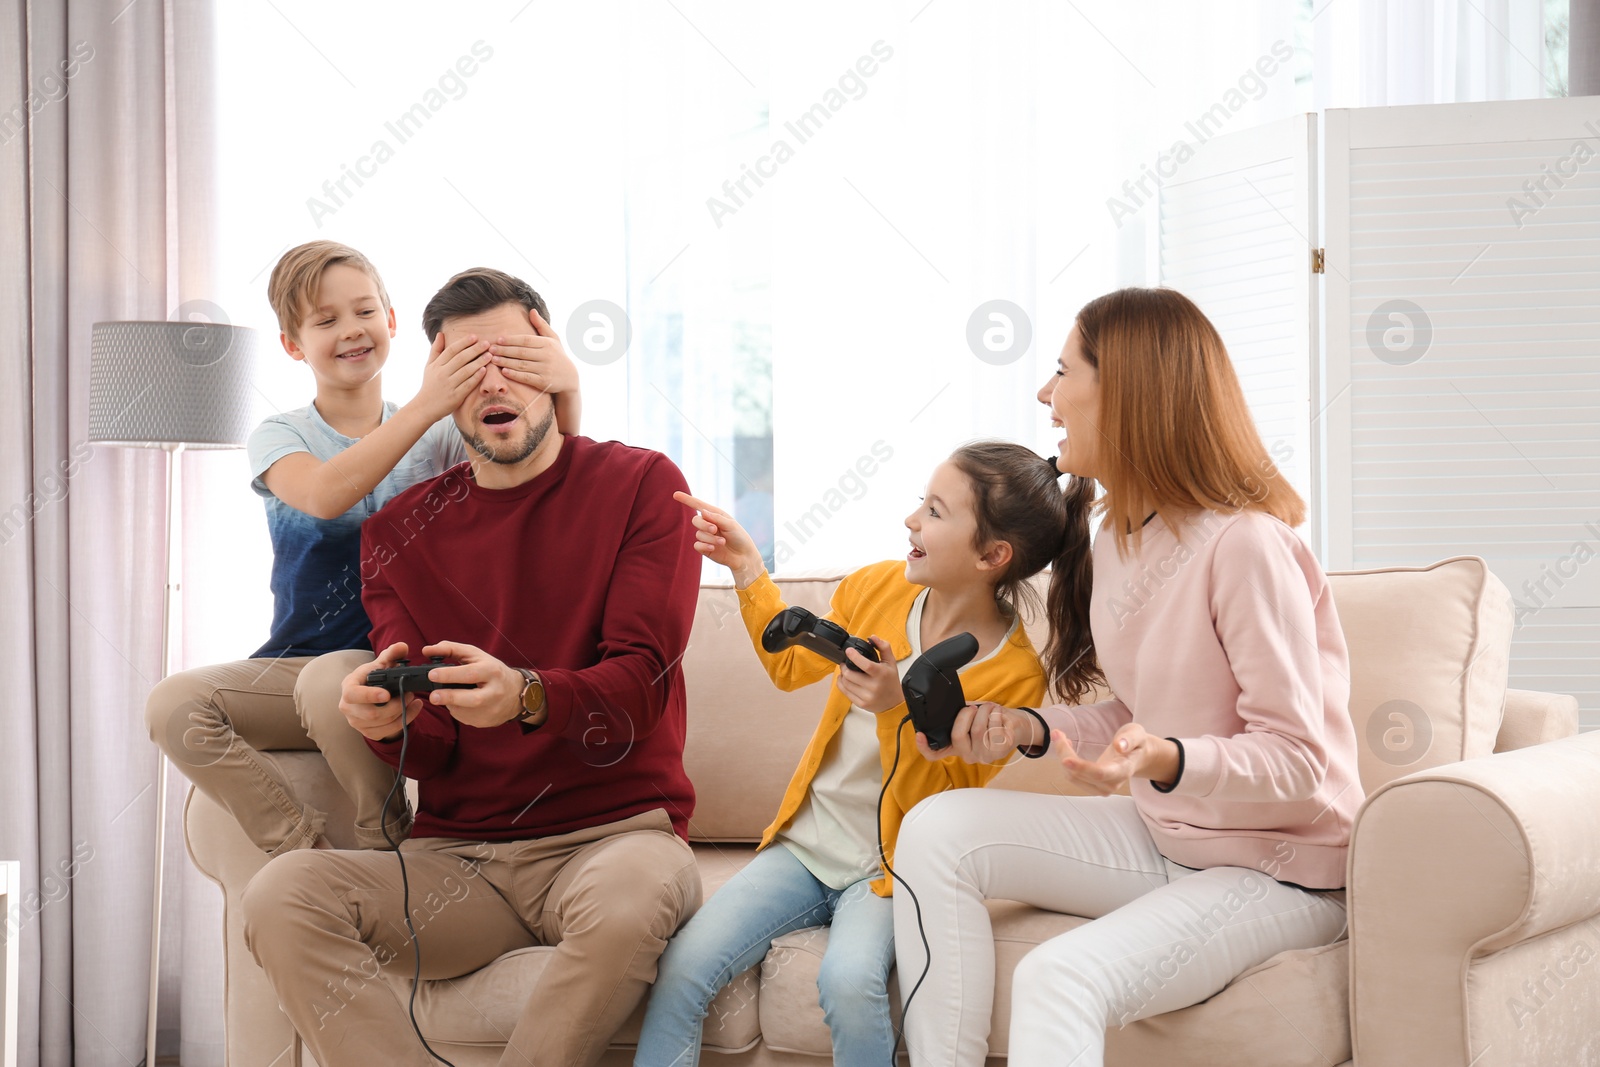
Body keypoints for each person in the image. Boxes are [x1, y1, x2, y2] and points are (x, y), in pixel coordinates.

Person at [241, 267, 703, 1067]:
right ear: (437, 389)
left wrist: (526, 697)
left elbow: (637, 691)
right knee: (283, 893)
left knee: (631, 901)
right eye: (466, 367)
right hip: (459, 860)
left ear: (553, 367)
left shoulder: (641, 486)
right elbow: (437, 753)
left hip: (611, 838)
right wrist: (390, 728)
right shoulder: (397, 531)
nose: (494, 383)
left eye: (515, 360)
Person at [893, 287, 1363, 1066]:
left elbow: (1299, 764)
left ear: (1127, 391)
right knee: (937, 830)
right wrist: (1033, 729)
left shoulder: (1247, 547)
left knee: (1058, 977)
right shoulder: (1116, 538)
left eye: (1062, 371)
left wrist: (1167, 759)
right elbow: (1147, 713)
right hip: (1168, 835)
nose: (1046, 395)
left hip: (1282, 871)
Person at [634, 442, 1101, 1067]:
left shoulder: (1013, 676)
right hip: (806, 847)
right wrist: (748, 568)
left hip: (891, 870)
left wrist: (893, 709)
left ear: (992, 556)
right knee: (684, 966)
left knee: (848, 984)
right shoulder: (877, 587)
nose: (912, 521)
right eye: (920, 503)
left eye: (935, 512)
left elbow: (951, 791)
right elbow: (791, 665)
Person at [144, 241, 581, 853]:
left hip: (408, 663)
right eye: (326, 321)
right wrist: (430, 404)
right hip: (300, 661)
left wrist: (567, 386)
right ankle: (303, 854)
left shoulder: (442, 436)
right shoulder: (281, 435)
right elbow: (325, 494)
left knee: (333, 679)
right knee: (173, 705)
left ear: (392, 321)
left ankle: (388, 846)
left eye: (364, 311)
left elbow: (544, 470)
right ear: (293, 344)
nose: (351, 331)